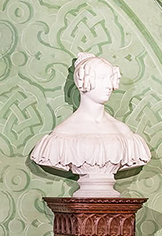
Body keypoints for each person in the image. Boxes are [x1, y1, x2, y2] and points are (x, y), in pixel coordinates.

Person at [30, 52, 152, 197]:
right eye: (101, 78)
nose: (109, 85)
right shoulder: (62, 135)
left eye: (110, 78)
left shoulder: (124, 133)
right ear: (83, 82)